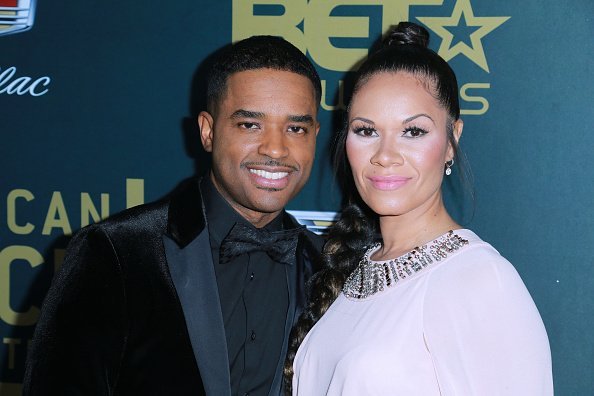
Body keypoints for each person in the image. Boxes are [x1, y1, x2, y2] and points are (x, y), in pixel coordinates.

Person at [24, 35, 324, 396]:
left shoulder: (329, 268)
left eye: (296, 128)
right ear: (208, 131)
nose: (276, 148)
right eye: (250, 125)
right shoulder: (116, 254)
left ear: (315, 136)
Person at [286, 22, 553, 395]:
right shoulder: (353, 269)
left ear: (451, 140)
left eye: (413, 132)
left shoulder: (479, 280)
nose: (385, 156)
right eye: (366, 130)